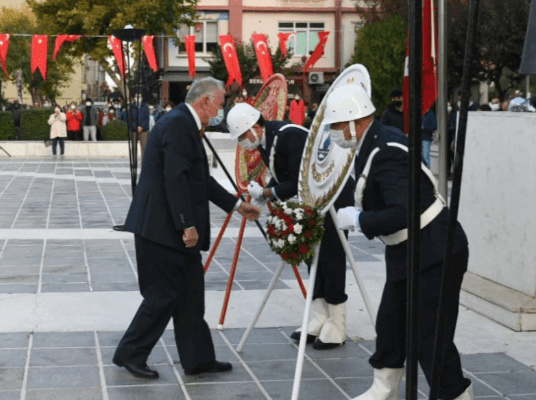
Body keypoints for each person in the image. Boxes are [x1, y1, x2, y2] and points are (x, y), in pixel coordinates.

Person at [325, 84, 474, 400]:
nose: (334, 133)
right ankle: (384, 389)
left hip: (434, 248)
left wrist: (360, 219)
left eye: (336, 125)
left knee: (430, 336)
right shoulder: (372, 142)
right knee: (390, 323)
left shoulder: (387, 150)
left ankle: (454, 395)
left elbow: (402, 212)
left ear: (356, 122)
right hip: (408, 249)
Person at [113, 77, 261, 380]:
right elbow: (175, 178)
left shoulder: (184, 123)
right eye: (219, 103)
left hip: (174, 230)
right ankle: (130, 353)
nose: (220, 110)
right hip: (163, 230)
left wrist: (234, 205)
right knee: (163, 295)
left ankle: (198, 359)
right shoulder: (179, 124)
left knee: (191, 296)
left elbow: (199, 180)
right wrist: (187, 224)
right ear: (205, 101)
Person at [226, 102, 355, 349]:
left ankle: (337, 324)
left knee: (331, 257)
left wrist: (267, 192)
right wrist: (264, 194)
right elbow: (282, 174)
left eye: (242, 136)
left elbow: (298, 181)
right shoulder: (266, 141)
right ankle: (319, 317)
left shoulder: (289, 136)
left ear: (254, 127)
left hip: (334, 198)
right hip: (314, 201)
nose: (242, 142)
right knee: (309, 255)